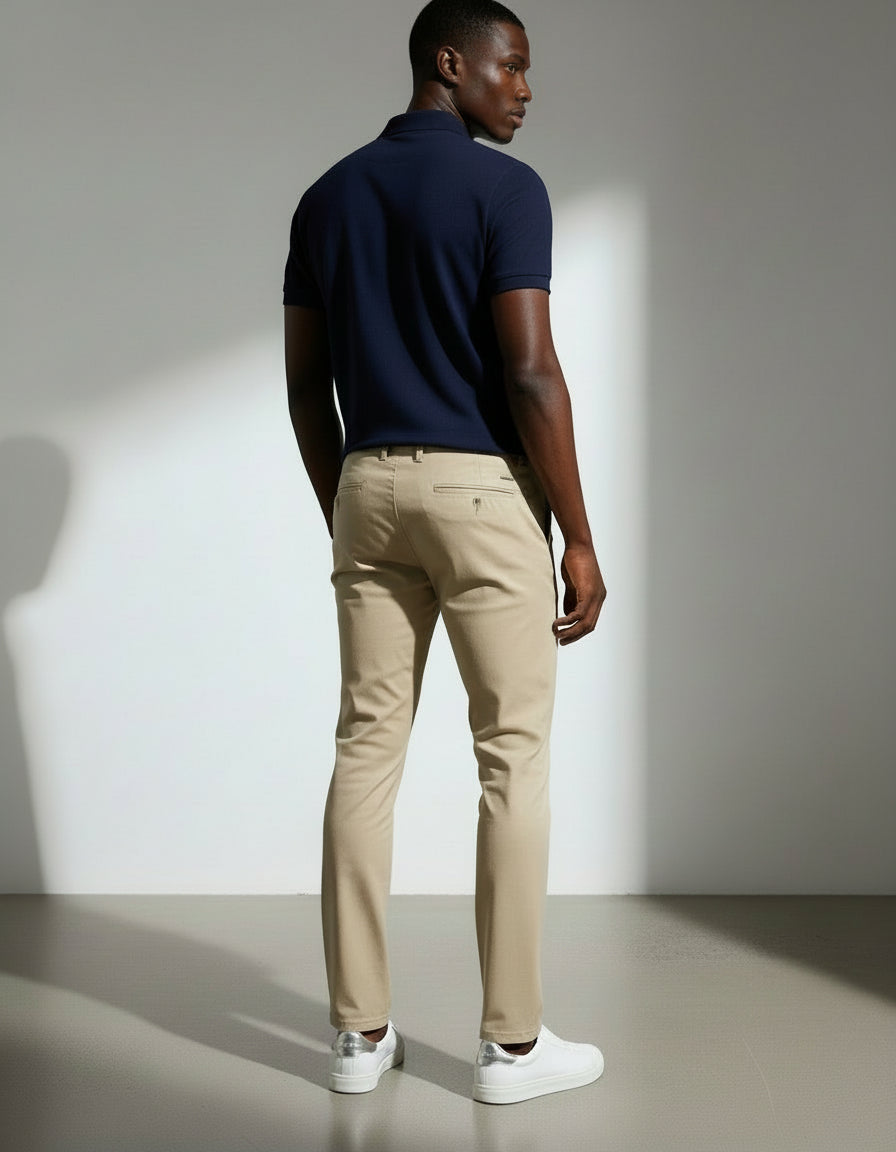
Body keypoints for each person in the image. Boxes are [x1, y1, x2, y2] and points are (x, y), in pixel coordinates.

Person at [283, 0, 606, 1105]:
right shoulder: (505, 191)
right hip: (479, 491)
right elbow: (529, 374)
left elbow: (302, 381)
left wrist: (350, 501)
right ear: (449, 62)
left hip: (365, 483)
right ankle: (511, 1049)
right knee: (510, 757)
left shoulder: (325, 196)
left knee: (364, 750)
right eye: (511, 67)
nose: (523, 89)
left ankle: (357, 1039)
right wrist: (579, 535)